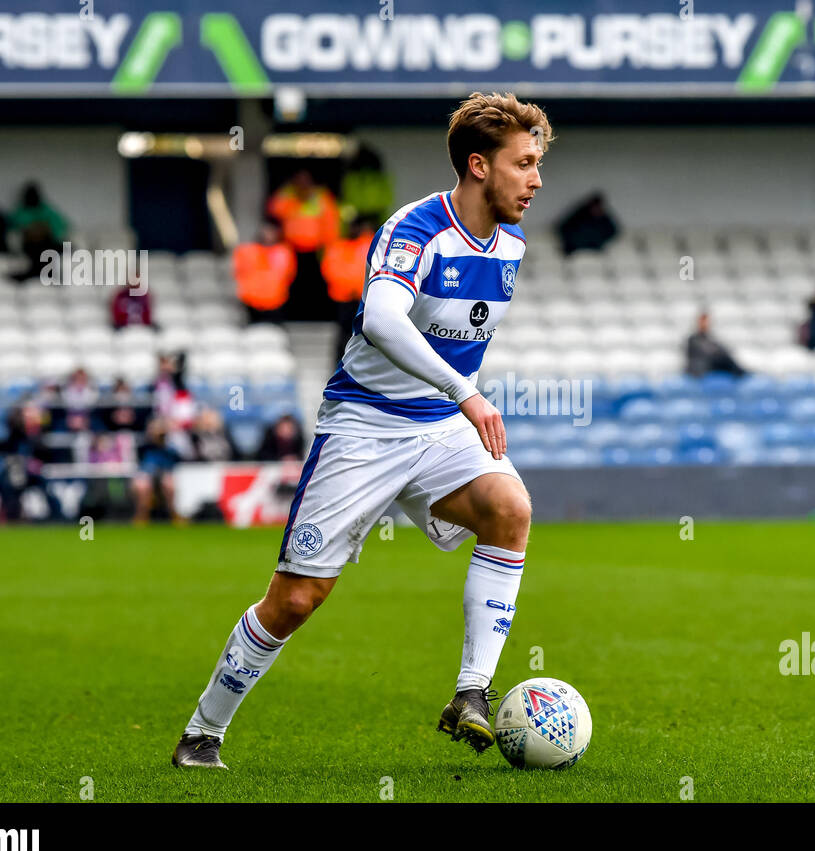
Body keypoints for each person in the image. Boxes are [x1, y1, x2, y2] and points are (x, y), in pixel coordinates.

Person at [172, 92, 551, 769]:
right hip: (365, 427)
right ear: (477, 165)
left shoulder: (514, 243)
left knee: (510, 509)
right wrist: (468, 393)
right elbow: (380, 319)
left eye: (538, 164)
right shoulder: (416, 229)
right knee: (295, 599)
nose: (536, 179)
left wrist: (454, 401)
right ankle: (203, 732)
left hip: (437, 428)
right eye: (523, 164)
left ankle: (471, 694)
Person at [321, 217, 376, 368]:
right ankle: (339, 364)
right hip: (343, 297)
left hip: (364, 297)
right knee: (343, 334)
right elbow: (330, 269)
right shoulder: (337, 246)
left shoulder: (368, 244)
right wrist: (348, 287)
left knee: (366, 333)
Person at [232, 223, 297, 323]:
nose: (268, 235)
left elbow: (288, 274)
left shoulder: (283, 252)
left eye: (271, 232)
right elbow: (239, 271)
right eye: (266, 231)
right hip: (252, 299)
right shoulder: (247, 251)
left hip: (276, 299)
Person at [8, 182, 69, 282]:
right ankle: (41, 274)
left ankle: (43, 274)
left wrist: (43, 230)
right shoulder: (20, 212)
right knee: (39, 253)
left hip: (48, 243)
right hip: (30, 246)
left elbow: (60, 228)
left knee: (67, 249)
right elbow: (15, 229)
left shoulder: (47, 210)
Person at [685, 311, 746, 376]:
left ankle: (740, 373)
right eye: (703, 321)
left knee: (725, 358)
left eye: (707, 322)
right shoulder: (693, 339)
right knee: (723, 358)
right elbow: (707, 351)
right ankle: (740, 373)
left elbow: (718, 348)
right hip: (701, 368)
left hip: (711, 365)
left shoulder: (709, 338)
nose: (705, 324)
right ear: (699, 322)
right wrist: (717, 352)